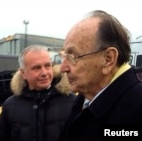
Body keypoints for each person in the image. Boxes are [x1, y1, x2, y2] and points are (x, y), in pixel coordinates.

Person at [59, 10, 142, 141]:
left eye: (72, 56)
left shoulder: (136, 108)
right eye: (64, 56)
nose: (62, 68)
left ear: (108, 59)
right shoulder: (85, 96)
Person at [0, 45, 76, 141]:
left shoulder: (71, 102)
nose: (44, 72)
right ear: (23, 73)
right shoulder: (10, 106)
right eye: (37, 68)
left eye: (47, 65)